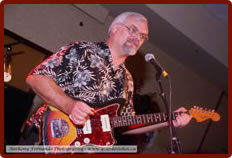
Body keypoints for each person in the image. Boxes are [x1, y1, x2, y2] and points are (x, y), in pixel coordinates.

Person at [23, 12, 192, 149]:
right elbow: (36, 78)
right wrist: (69, 105)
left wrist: (167, 121)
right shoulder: (84, 51)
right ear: (115, 29)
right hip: (46, 138)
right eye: (133, 30)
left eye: (143, 36)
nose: (137, 38)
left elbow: (126, 124)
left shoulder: (127, 81)